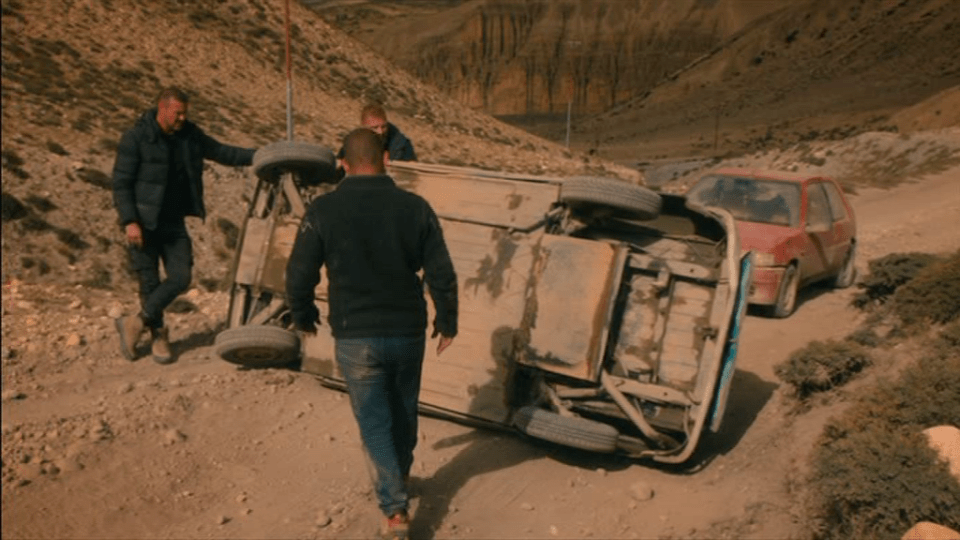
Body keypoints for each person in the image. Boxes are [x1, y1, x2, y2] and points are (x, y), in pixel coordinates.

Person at [286, 128, 457, 540]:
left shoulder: (322, 209)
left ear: (343, 162)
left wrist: (304, 315)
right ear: (386, 158)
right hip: (406, 332)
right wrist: (447, 322)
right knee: (404, 412)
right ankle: (397, 479)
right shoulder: (415, 207)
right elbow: (441, 272)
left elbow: (298, 274)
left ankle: (395, 510)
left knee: (375, 422)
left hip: (355, 334)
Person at [112, 87, 255, 364]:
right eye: (177, 113)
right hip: (142, 223)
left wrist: (260, 155)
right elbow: (121, 183)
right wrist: (130, 221)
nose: (181, 118)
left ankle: (135, 322)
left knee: (181, 276)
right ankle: (158, 336)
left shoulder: (190, 135)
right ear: (162, 108)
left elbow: (223, 152)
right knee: (150, 284)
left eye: (184, 113)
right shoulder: (136, 137)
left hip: (172, 222)